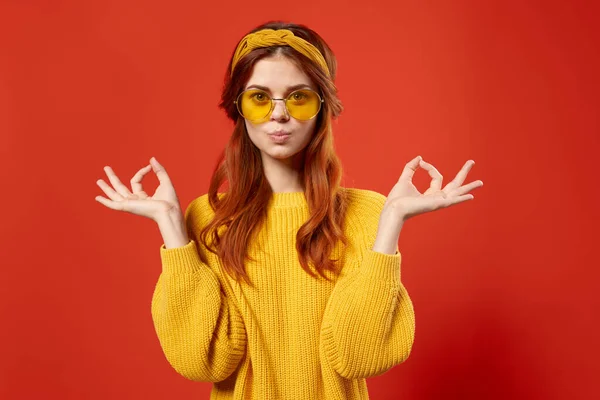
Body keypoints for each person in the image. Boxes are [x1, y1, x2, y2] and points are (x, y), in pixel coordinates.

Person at [95, 21, 483, 399]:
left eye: (299, 96)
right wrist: (172, 229)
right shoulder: (207, 218)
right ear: (239, 109)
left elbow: (357, 356)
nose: (279, 114)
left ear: (322, 108)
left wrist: (391, 223)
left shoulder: (368, 214)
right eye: (259, 98)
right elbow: (202, 362)